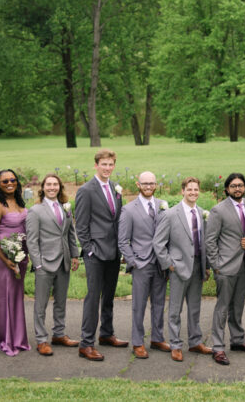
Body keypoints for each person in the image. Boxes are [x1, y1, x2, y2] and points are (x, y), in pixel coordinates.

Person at [74, 148, 127, 361]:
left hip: (113, 251)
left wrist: (121, 248)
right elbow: (81, 224)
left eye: (110, 164)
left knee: (109, 296)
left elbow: (118, 219)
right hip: (95, 252)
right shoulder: (86, 190)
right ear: (96, 165)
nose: (107, 168)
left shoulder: (115, 188)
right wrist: (88, 249)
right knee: (93, 297)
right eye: (103, 164)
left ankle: (106, 333)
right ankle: (86, 343)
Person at [204, 172, 245, 366]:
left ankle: (237, 340)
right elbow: (210, 240)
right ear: (227, 189)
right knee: (223, 308)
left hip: (244, 264)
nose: (238, 188)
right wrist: (216, 265)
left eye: (241, 185)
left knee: (238, 306)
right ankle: (218, 347)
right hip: (225, 267)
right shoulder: (218, 210)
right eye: (233, 186)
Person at [153, 176, 212, 362]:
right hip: (178, 268)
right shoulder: (171, 214)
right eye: (189, 189)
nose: (193, 193)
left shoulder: (202, 213)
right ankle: (176, 345)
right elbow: (158, 243)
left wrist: (207, 266)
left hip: (197, 267)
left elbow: (204, 244)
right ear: (182, 191)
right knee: (175, 310)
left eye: (196, 189)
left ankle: (195, 342)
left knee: (195, 308)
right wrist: (169, 264)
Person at [26, 173, 80, 356]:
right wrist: (38, 264)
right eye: (48, 184)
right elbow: (31, 241)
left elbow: (70, 234)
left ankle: (59, 334)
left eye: (55, 184)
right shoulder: (35, 211)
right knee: (41, 304)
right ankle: (41, 340)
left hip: (63, 261)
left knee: (61, 302)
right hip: (45, 264)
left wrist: (74, 255)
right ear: (43, 188)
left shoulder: (66, 208)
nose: (52, 187)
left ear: (59, 187)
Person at [118, 171, 169, 359]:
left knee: (159, 303)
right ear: (138, 184)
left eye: (152, 183)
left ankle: (157, 338)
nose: (148, 186)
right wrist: (134, 262)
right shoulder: (129, 209)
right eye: (145, 183)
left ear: (156, 185)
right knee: (138, 306)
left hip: (160, 263)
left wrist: (167, 260)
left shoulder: (162, 206)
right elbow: (123, 241)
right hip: (141, 264)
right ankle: (138, 342)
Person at [0, 168, 30, 356]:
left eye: (12, 179)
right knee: (6, 295)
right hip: (4, 255)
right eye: (5, 181)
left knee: (17, 295)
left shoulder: (19, 201)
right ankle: (5, 339)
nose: (9, 183)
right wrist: (5, 259)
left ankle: (18, 337)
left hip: (20, 255)